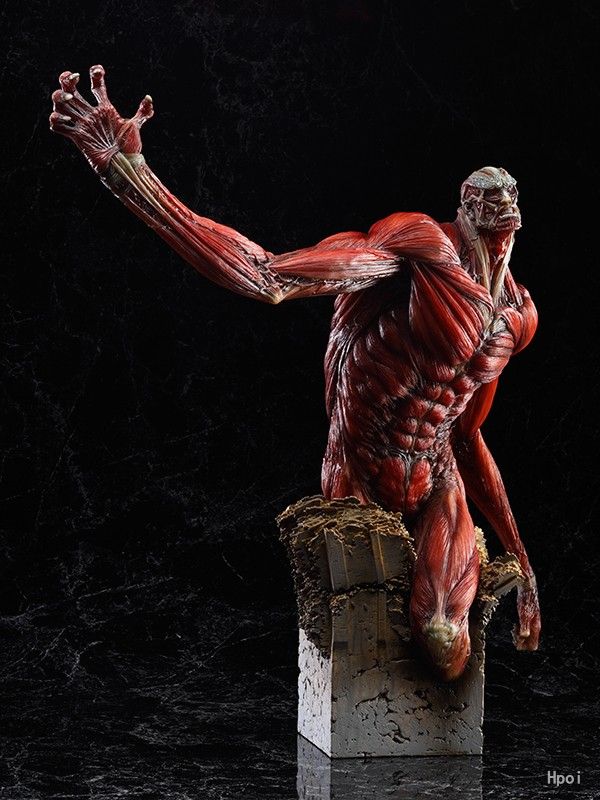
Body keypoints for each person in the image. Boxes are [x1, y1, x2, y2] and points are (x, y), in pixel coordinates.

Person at [51, 65, 540, 680]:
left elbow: (467, 434)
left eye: (509, 206)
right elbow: (269, 276)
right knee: (389, 637)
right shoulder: (417, 248)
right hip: (363, 468)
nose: (500, 218)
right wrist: (129, 174)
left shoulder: (516, 318)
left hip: (435, 477)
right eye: (487, 205)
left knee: (446, 647)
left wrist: (523, 559)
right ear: (465, 207)